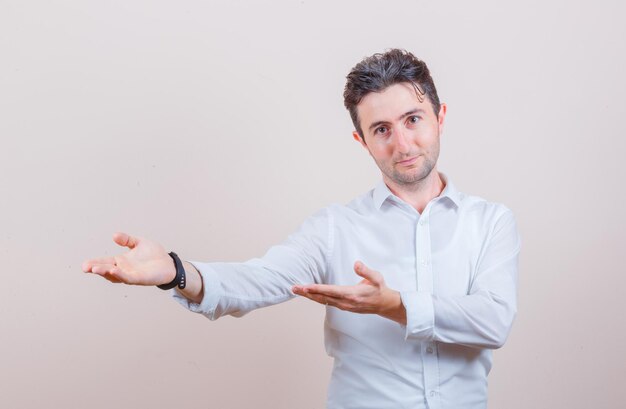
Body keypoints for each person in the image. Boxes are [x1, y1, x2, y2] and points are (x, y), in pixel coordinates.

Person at [82, 48, 521, 409]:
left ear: (439, 117)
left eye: (413, 119)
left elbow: (493, 321)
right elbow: (262, 279)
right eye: (381, 129)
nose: (402, 143)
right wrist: (177, 272)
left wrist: (393, 304)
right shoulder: (335, 228)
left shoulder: (490, 222)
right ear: (362, 141)